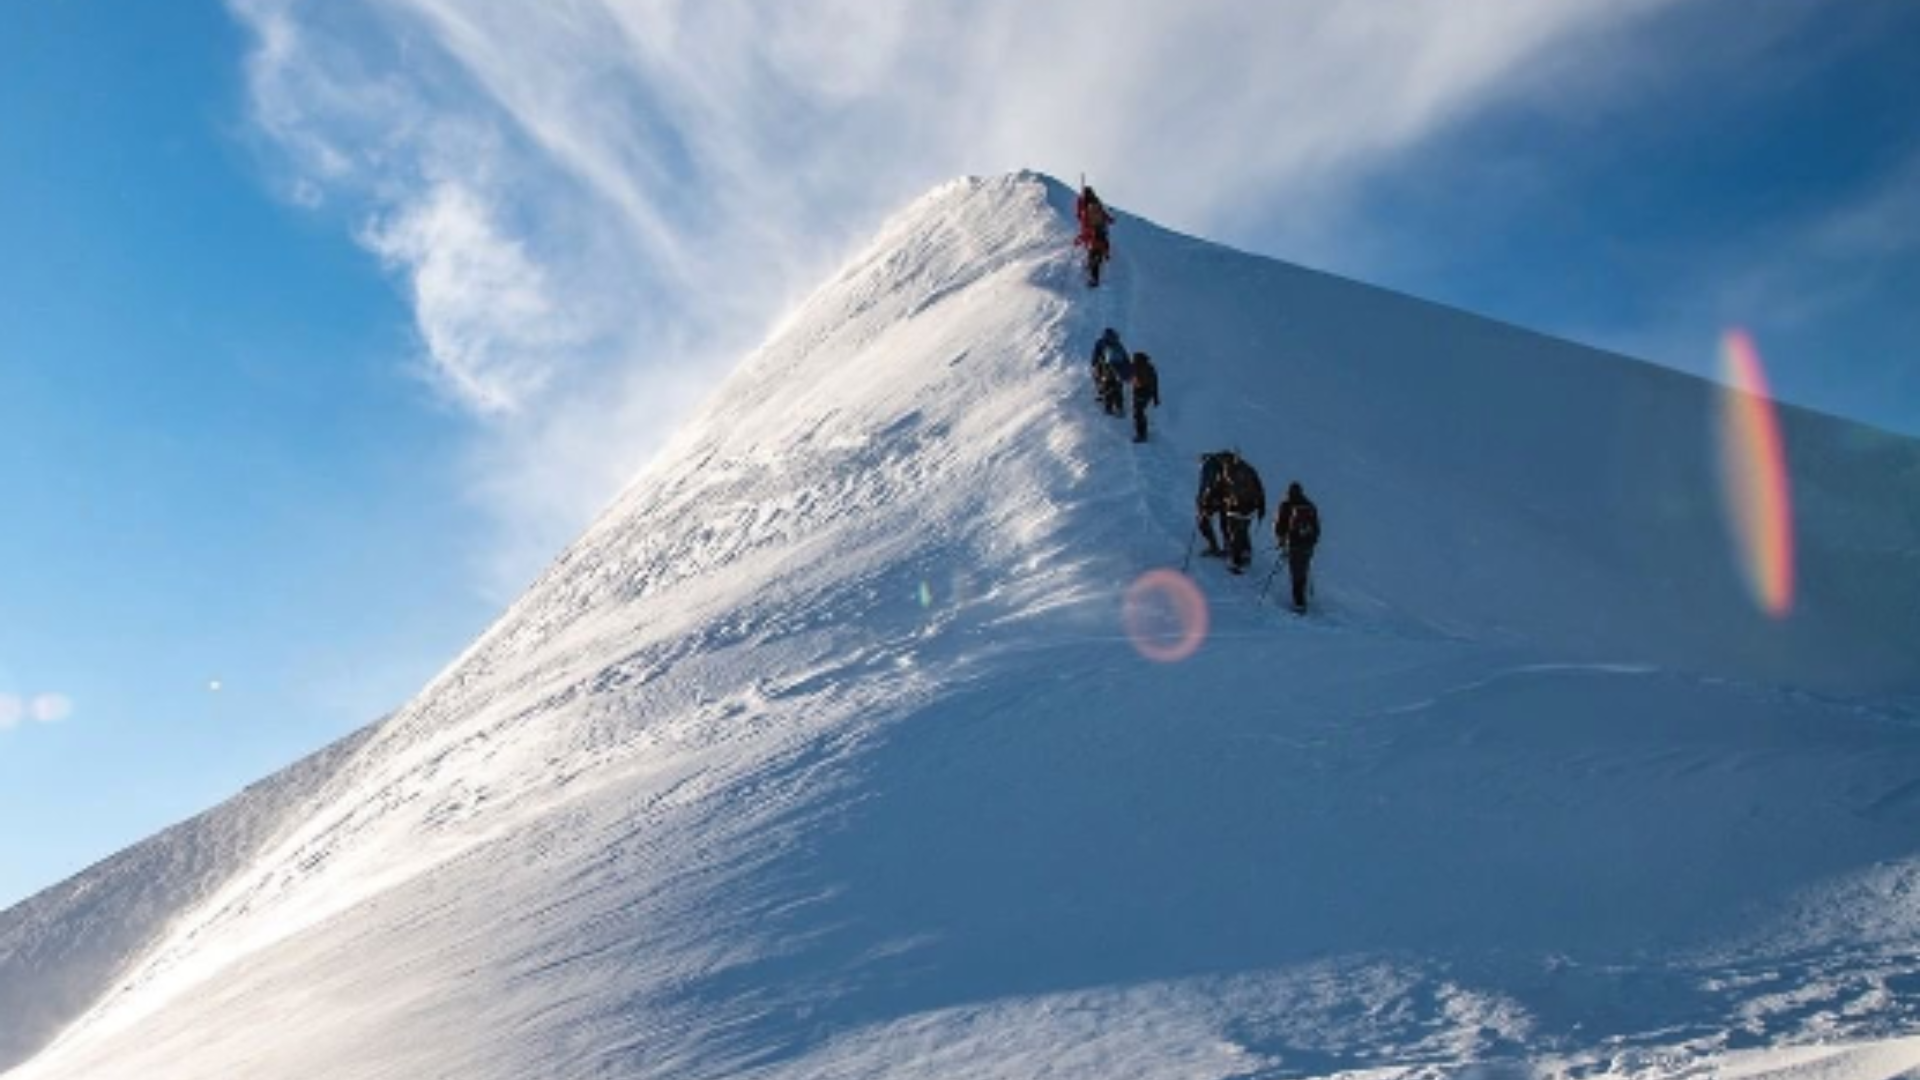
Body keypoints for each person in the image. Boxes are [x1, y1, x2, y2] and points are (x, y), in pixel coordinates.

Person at [1273, 482, 1321, 611]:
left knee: (1295, 572)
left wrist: (1281, 540)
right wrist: (1313, 542)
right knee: (1303, 570)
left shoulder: (1285, 505)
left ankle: (1298, 602)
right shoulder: (1310, 506)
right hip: (1307, 545)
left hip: (1293, 544)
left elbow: (1279, 526)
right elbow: (1317, 528)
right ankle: (1301, 599)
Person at [1220, 454, 1267, 573]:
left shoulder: (1229, 472)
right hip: (1250, 508)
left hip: (1235, 508)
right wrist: (1261, 508)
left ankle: (1236, 562)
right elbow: (1260, 489)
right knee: (1243, 531)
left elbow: (1219, 489)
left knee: (1234, 534)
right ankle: (1246, 553)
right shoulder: (1250, 470)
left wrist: (1206, 503)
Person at [1194, 451, 1236, 557]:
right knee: (1225, 524)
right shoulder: (1229, 466)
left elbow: (1206, 484)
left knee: (1203, 522)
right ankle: (1229, 548)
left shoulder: (1208, 465)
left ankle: (1214, 547)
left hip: (1215, 499)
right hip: (1229, 499)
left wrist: (1201, 502)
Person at [1076, 185, 1115, 287]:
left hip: (1094, 236)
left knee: (1094, 254)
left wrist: (1079, 239)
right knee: (1098, 252)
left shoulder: (1086, 211)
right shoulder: (1097, 205)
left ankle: (1094, 277)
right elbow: (1106, 218)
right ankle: (1103, 256)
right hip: (1102, 233)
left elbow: (1086, 228)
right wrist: (1110, 219)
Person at [1089, 329, 1130, 415]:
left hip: (1106, 369)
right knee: (1117, 388)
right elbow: (1126, 358)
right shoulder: (1118, 345)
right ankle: (1119, 407)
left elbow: (1095, 356)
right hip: (1118, 370)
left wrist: (1094, 363)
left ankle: (1108, 407)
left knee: (1107, 385)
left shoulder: (1101, 343)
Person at [1129, 351, 1160, 442]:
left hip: (1141, 392)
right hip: (1148, 393)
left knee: (1138, 413)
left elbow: (1136, 381)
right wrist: (1155, 398)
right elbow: (1155, 383)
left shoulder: (1137, 367)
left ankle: (1141, 435)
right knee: (1140, 412)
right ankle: (1143, 433)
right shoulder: (1150, 368)